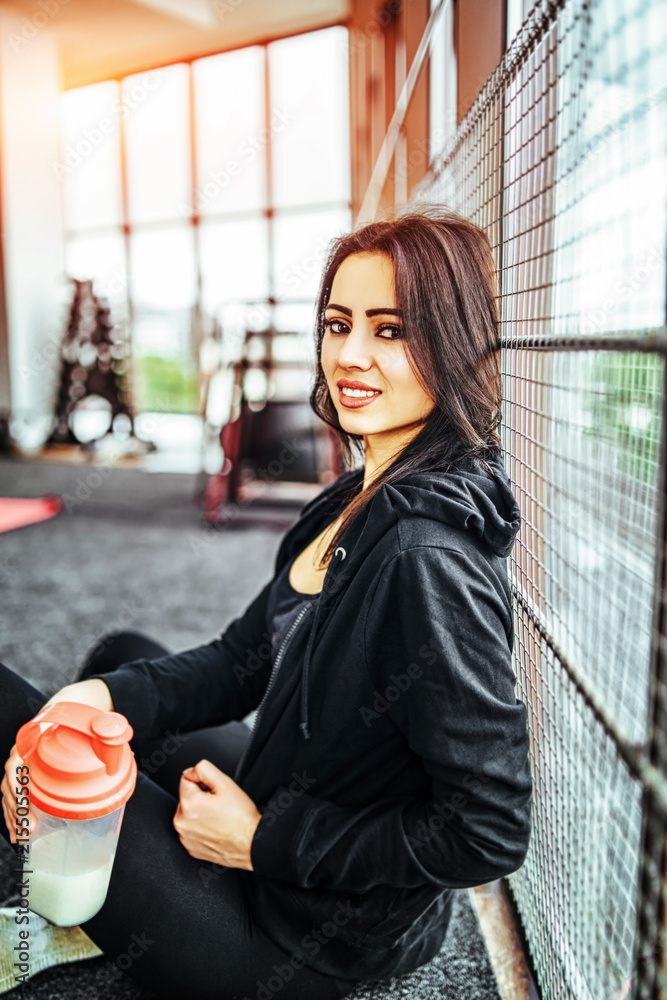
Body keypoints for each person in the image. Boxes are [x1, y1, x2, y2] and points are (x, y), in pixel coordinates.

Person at [1, 207, 533, 1000]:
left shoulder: (426, 562)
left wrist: (261, 842)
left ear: (451, 341)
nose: (350, 355)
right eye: (337, 323)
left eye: (391, 330)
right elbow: (240, 661)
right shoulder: (355, 496)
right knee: (117, 669)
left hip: (295, 940)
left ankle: (80, 892)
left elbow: (487, 827)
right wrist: (94, 697)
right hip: (295, 795)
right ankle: (73, 888)